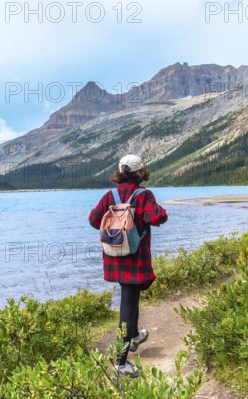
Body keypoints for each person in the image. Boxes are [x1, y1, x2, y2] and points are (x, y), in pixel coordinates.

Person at [88, 154, 168, 378]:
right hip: (135, 257)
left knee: (131, 297)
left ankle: (133, 336)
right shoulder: (143, 195)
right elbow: (157, 217)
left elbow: (94, 220)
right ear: (140, 172)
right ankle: (121, 363)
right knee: (128, 305)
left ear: (120, 172)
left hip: (114, 256)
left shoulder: (110, 195)